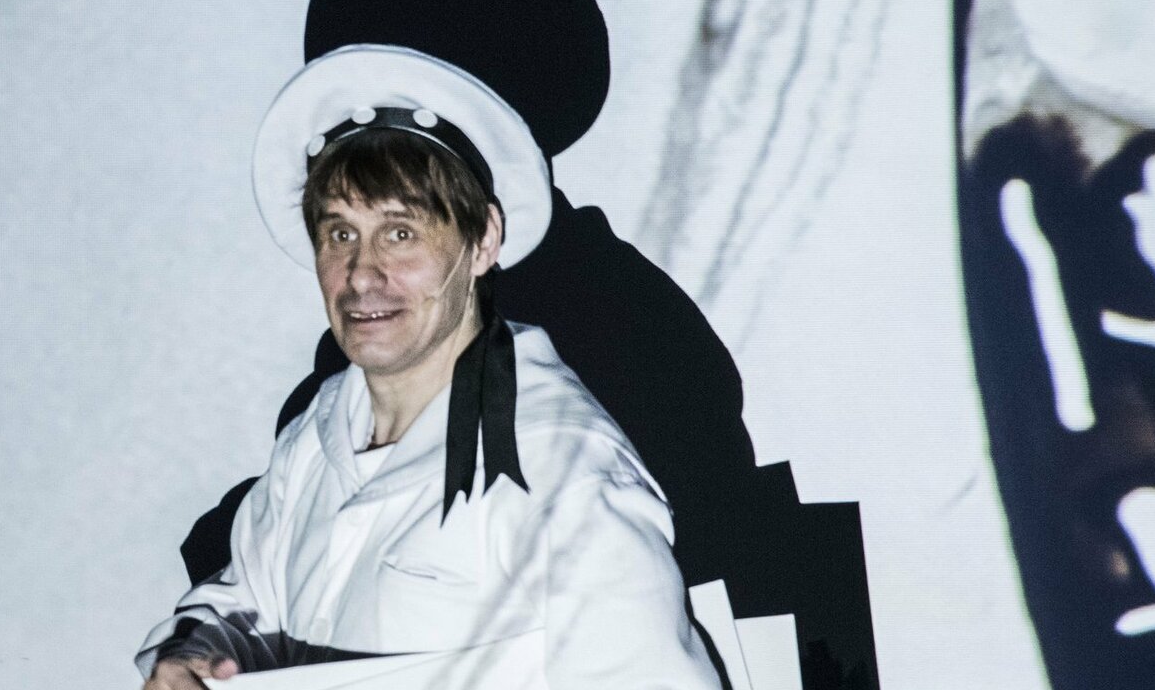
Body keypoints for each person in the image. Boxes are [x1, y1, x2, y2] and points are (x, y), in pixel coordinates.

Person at [135, 44, 723, 689]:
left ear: (483, 241)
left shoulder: (560, 470)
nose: (362, 274)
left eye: (401, 233)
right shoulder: (317, 436)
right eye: (340, 234)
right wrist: (196, 650)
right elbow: (244, 598)